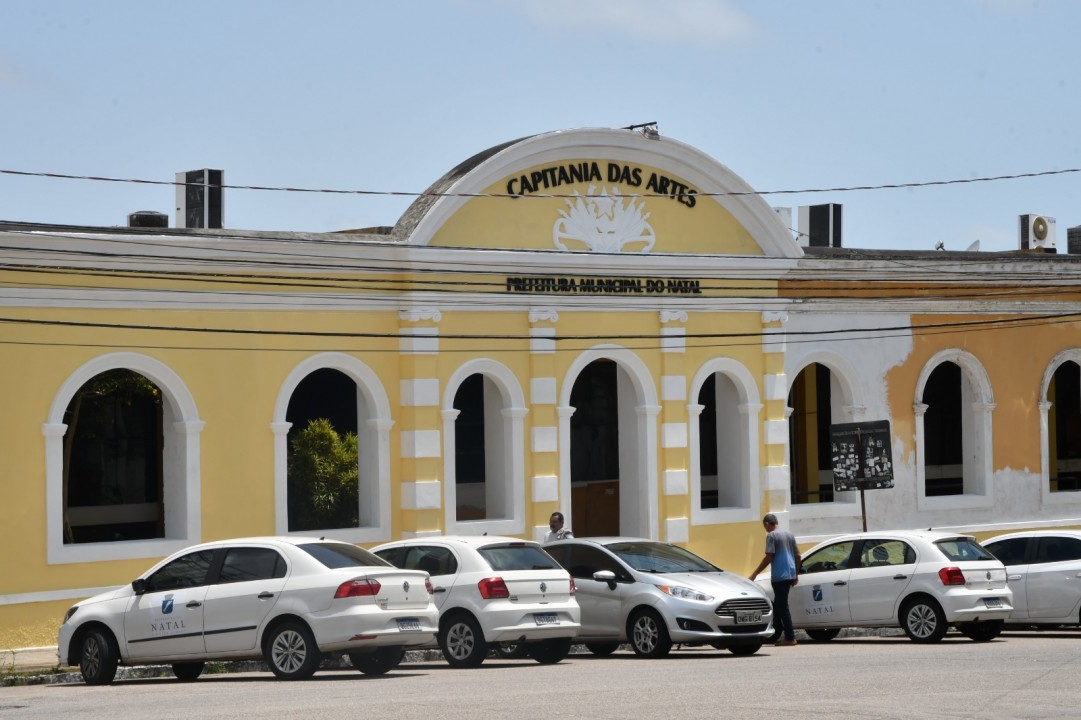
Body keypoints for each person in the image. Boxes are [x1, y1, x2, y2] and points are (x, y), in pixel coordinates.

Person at [749, 513, 800, 646]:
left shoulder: (771, 536)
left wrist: (754, 574)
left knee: (782, 607)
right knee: (779, 606)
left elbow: (769, 557)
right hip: (789, 574)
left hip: (779, 576)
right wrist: (796, 574)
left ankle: (790, 637)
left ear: (767, 524)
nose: (765, 529)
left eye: (764, 526)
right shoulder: (789, 534)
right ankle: (775, 633)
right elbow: (798, 555)